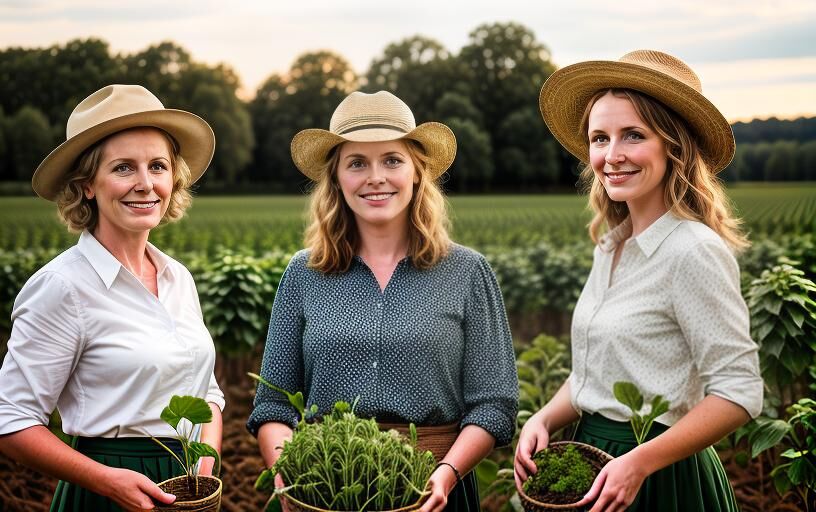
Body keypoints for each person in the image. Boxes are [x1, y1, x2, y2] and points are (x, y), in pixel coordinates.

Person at [514, 50, 763, 511]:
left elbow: (739, 392)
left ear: (673, 146)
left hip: (659, 476)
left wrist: (640, 462)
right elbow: (599, 374)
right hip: (593, 461)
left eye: (633, 135)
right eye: (600, 138)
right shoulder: (612, 247)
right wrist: (544, 418)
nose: (612, 155)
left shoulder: (692, 251)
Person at [247, 90, 518, 512]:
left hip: (435, 488)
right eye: (357, 163)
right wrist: (289, 481)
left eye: (392, 160)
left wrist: (445, 474)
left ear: (416, 172)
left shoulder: (467, 272)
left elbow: (494, 404)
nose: (376, 177)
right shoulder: (303, 274)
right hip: (328, 485)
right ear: (337, 178)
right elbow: (273, 404)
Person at [0, 84, 225, 512]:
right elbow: (9, 419)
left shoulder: (178, 278)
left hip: (188, 487)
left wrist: (207, 459)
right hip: (106, 489)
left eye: (158, 166)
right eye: (124, 168)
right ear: (87, 185)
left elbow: (206, 390)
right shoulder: (63, 287)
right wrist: (104, 480)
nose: (145, 184)